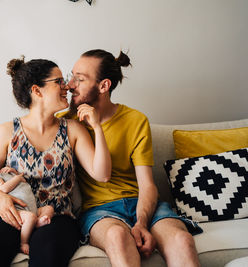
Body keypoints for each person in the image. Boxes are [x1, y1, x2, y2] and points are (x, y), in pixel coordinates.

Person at [0, 55, 112, 267]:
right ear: (37, 91)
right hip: (10, 214)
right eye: (58, 82)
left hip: (56, 217)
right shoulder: (7, 131)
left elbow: (102, 174)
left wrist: (97, 128)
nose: (66, 86)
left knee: (47, 259)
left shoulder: (74, 130)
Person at [58, 49, 202, 267]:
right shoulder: (68, 123)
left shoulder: (135, 120)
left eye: (79, 79)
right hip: (100, 210)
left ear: (104, 86)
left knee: (182, 240)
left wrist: (142, 223)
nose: (69, 85)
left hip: (143, 204)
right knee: (118, 236)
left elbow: (147, 185)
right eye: (72, 76)